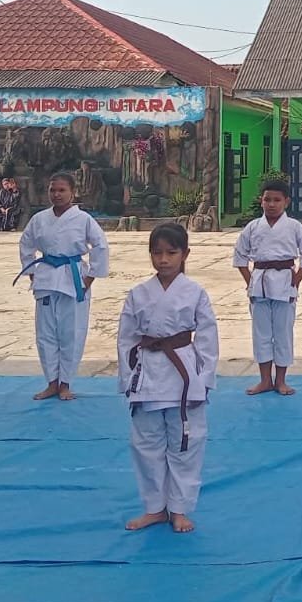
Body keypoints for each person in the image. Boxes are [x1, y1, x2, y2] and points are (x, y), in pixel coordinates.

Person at [117, 223, 219, 535]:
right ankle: (155, 508)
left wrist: (205, 378)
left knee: (186, 443)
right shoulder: (138, 294)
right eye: (157, 253)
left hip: (183, 373)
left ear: (185, 254)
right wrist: (127, 378)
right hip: (147, 373)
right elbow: (126, 338)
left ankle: (179, 509)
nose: (163, 259)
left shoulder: (195, 292)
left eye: (171, 253)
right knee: (146, 444)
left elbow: (207, 337)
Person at [17, 173, 110, 401]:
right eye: (52, 190)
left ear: (72, 192)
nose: (56, 195)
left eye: (61, 190)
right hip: (47, 277)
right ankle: (51, 383)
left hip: (73, 278)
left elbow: (100, 245)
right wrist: (31, 272)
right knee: (46, 334)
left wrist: (90, 277)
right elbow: (26, 243)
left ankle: (66, 383)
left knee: (72, 333)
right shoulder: (39, 219)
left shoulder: (83, 219)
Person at [233, 178, 302, 397]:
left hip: (284, 283)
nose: (271, 204)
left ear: (286, 202)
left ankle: (281, 380)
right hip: (259, 283)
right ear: (261, 201)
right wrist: (249, 280)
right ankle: (264, 380)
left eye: (277, 200)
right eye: (267, 199)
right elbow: (240, 256)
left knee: (283, 333)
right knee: (261, 334)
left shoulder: (294, 227)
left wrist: (296, 279)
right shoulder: (252, 227)